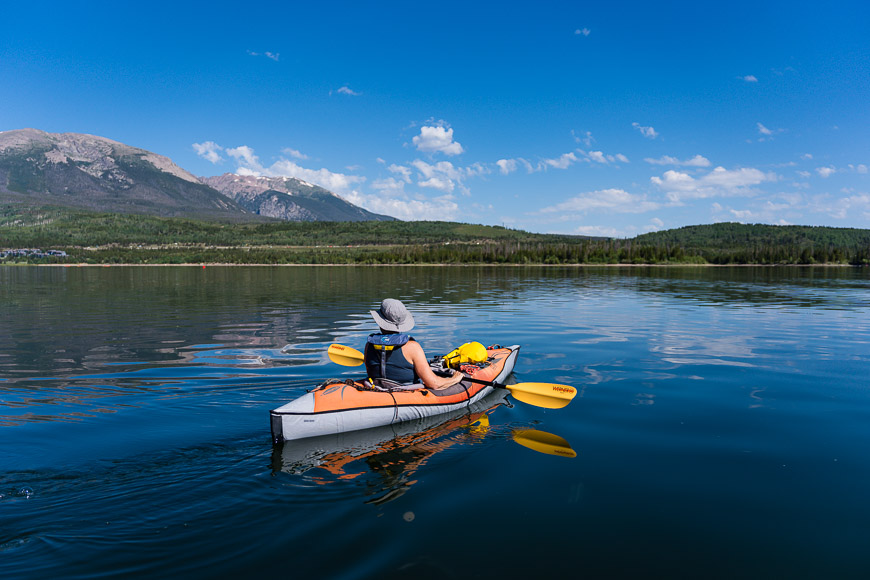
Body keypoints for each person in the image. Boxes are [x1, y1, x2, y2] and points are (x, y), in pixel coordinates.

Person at [364, 299, 463, 390]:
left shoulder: (369, 345)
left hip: (376, 390)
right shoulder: (412, 347)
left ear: (380, 322)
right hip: (405, 395)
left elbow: (370, 374)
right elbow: (434, 383)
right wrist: (455, 379)